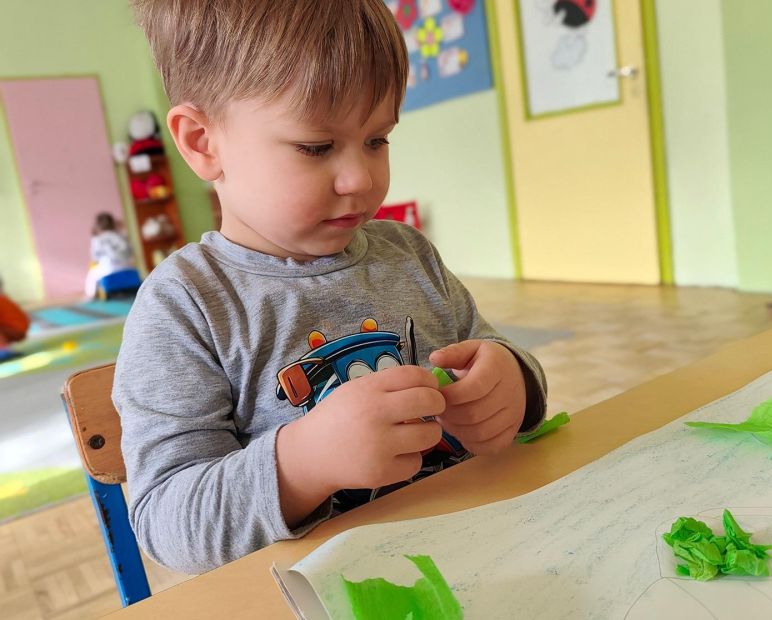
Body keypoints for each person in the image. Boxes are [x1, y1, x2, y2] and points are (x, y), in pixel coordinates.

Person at [114, 0, 548, 575]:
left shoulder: (410, 255)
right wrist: (303, 464)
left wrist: (513, 382)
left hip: (480, 551)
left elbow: (495, 357)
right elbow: (169, 524)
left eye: (378, 139)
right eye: (316, 147)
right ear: (202, 142)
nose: (360, 178)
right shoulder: (186, 305)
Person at [84, 212, 135, 298]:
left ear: (97, 226)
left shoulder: (97, 239)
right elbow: (130, 251)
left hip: (108, 270)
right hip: (127, 268)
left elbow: (95, 258)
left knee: (92, 273)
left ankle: (91, 295)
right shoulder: (121, 235)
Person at [0, 276, 30, 360]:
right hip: (17, 329)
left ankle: (3, 350)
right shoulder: (4, 299)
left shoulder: (2, 301)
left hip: (14, 330)